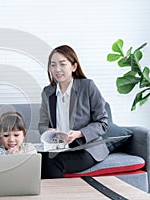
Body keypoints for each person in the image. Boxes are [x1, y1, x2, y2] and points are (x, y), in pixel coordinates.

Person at [38, 45, 109, 178]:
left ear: (74, 67)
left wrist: (78, 134)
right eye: (53, 65)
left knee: (52, 162)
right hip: (59, 147)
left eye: (62, 64)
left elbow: (103, 122)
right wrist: (50, 132)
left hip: (86, 148)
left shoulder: (88, 86)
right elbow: (42, 125)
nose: (57, 69)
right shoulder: (47, 92)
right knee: (37, 159)